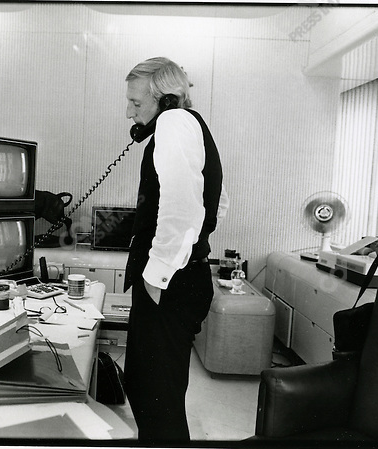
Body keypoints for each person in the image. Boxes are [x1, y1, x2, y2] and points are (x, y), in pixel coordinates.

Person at [122, 57, 229, 442]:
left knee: (156, 399)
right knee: (149, 388)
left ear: (165, 100)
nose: (129, 112)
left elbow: (183, 207)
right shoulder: (190, 125)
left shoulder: (173, 121)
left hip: (172, 284)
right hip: (185, 278)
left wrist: (157, 277)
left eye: (136, 104)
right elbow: (218, 201)